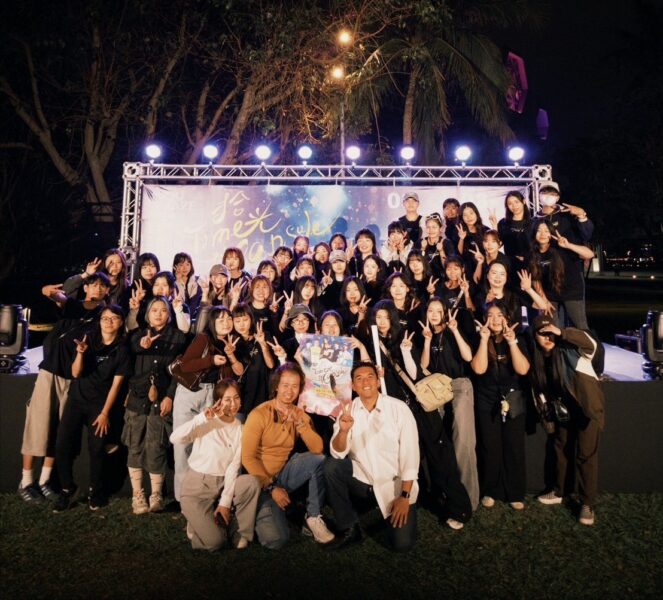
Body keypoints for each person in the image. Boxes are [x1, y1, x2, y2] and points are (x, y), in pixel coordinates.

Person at [18, 273, 110, 503]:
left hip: (74, 377)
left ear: (108, 291)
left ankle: (45, 481)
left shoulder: (105, 316)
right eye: (94, 284)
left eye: (103, 286)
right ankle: (26, 481)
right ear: (86, 288)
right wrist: (47, 291)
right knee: (38, 424)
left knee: (59, 430)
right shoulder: (74, 306)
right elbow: (58, 297)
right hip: (51, 371)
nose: (98, 288)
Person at [324, 361, 420, 551]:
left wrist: (404, 496)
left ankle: (399, 509)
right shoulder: (347, 410)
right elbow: (337, 453)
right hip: (364, 479)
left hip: (395, 484)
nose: (365, 382)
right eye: (359, 379)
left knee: (402, 544)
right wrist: (343, 431)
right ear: (353, 386)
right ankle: (349, 526)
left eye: (370, 377)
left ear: (377, 381)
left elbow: (410, 454)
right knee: (331, 467)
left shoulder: (398, 408)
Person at [241, 362, 335, 549]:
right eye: (285, 385)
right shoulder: (259, 414)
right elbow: (248, 458)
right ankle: (251, 511)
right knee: (275, 540)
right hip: (259, 481)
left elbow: (318, 450)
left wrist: (301, 425)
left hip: (283, 475)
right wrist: (271, 487)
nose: (289, 391)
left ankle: (313, 517)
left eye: (295, 386)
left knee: (318, 460)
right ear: (276, 386)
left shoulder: (299, 414)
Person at [53, 305, 130, 511]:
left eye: (114, 318)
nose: (109, 322)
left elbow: (116, 385)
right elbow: (75, 373)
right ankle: (67, 488)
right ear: (100, 321)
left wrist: (105, 413)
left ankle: (95, 491)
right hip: (76, 400)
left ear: (121, 322)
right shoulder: (87, 340)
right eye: (105, 318)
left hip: (99, 404)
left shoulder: (122, 349)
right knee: (62, 445)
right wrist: (80, 353)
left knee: (96, 449)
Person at [530, 316, 605, 526]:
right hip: (562, 412)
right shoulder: (538, 360)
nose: (548, 338)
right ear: (535, 337)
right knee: (560, 448)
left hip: (585, 410)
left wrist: (563, 332)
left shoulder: (573, 352)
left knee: (585, 455)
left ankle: (587, 503)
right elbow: (540, 392)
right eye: (542, 334)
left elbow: (591, 344)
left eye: (550, 333)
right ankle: (559, 491)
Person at [170, 379, 261, 550]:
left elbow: (233, 467)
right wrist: (201, 418)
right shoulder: (207, 421)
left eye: (236, 398)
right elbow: (175, 438)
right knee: (215, 542)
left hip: (221, 486)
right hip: (197, 489)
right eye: (227, 399)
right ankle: (198, 523)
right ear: (218, 401)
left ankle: (238, 531)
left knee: (251, 482)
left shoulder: (241, 429)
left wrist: (225, 503)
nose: (233, 404)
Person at [172, 305, 244, 502]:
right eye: (220, 319)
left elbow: (236, 375)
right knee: (183, 446)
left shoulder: (233, 343)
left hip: (213, 396)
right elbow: (185, 365)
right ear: (212, 322)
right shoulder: (203, 338)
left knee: (207, 446)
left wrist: (231, 355)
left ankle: (205, 496)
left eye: (228, 319)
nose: (226, 323)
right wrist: (211, 360)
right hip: (191, 393)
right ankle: (182, 498)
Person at [122, 296, 187, 514]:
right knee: (134, 444)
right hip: (137, 397)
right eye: (154, 310)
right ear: (147, 314)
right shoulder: (137, 334)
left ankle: (156, 494)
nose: (158, 314)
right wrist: (143, 344)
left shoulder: (178, 337)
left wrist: (170, 396)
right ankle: (137, 494)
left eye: (163, 310)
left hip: (162, 399)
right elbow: (132, 349)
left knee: (156, 445)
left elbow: (179, 370)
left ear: (169, 314)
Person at [418, 298, 479, 510]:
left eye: (439, 311)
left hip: (459, 384)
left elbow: (468, 357)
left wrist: (454, 331)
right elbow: (423, 366)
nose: (434, 314)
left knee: (463, 439)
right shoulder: (427, 334)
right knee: (439, 440)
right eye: (430, 310)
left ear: (445, 313)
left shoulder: (454, 330)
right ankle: (446, 493)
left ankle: (469, 500)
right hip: (437, 387)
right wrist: (426, 341)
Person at [470, 302, 530, 510]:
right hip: (486, 398)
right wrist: (483, 339)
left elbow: (523, 370)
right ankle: (490, 490)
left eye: (499, 315)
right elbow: (478, 369)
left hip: (513, 398)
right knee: (490, 446)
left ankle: (515, 492)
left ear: (507, 318)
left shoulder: (519, 338)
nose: (495, 319)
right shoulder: (479, 338)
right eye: (490, 315)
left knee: (514, 446)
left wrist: (512, 343)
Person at [530, 184, 594, 329]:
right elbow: (533, 263)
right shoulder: (534, 220)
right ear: (539, 196)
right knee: (551, 327)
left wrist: (581, 215)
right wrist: (542, 296)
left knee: (579, 326)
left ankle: (584, 344)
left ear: (558, 197)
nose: (548, 196)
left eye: (552, 194)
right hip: (547, 281)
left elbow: (587, 235)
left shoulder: (568, 216)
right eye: (544, 193)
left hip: (570, 277)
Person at [172, 252, 203, 321]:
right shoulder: (173, 283)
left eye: (187, 264)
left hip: (196, 319)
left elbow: (195, 304)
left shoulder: (198, 281)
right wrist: (178, 281)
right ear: (175, 266)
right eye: (181, 265)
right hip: (179, 319)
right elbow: (180, 304)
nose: (185, 268)